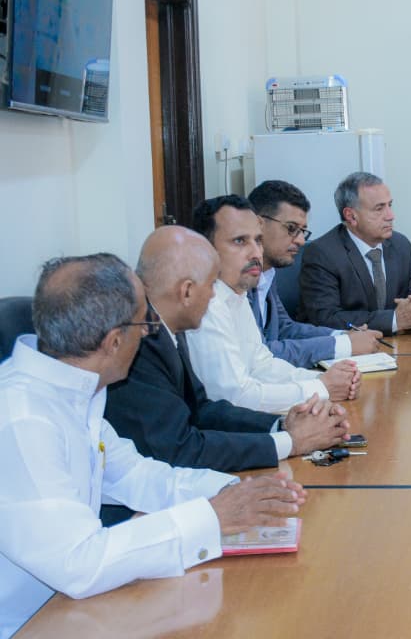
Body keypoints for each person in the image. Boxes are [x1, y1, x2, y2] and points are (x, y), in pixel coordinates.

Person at [0, 254, 306, 636]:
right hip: (29, 623)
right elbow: (79, 563)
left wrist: (234, 491)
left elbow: (138, 475)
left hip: (75, 609)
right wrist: (211, 516)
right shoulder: (22, 418)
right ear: (114, 341)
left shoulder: (74, 392)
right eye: (143, 323)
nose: (148, 333)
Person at [106, 226, 352, 475]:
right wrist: (291, 442)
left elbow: (202, 410)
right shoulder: (139, 344)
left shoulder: (168, 329)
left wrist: (282, 425)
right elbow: (178, 449)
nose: (214, 295)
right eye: (212, 284)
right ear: (187, 291)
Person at [186, 195, 360, 413]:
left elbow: (262, 365)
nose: (256, 253)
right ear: (205, 250)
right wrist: (321, 388)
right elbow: (235, 398)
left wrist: (322, 379)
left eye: (258, 240)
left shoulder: (236, 294)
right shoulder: (206, 305)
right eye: (240, 241)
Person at [247, 180, 380, 366]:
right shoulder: (237, 279)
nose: (301, 241)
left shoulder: (268, 273)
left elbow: (285, 328)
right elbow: (261, 354)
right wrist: (343, 345)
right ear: (258, 224)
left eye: (302, 231)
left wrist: (343, 335)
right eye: (291, 228)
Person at [299, 172, 411, 335]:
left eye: (390, 205)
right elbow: (325, 319)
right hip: (347, 348)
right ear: (351, 216)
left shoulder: (401, 245)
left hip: (398, 345)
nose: (390, 216)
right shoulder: (322, 253)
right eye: (379, 208)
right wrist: (394, 320)